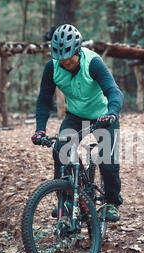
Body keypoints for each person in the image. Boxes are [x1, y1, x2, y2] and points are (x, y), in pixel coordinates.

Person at [32, 24, 123, 221]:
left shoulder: (93, 63)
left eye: (68, 58)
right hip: (75, 116)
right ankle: (65, 201)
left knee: (107, 162)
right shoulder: (52, 67)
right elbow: (43, 100)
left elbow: (114, 91)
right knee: (60, 150)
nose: (64, 62)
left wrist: (112, 112)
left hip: (103, 115)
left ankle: (112, 202)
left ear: (77, 50)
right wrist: (40, 130)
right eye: (60, 59)